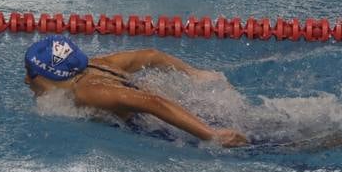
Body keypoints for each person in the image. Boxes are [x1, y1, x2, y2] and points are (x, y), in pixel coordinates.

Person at [24, 35, 250, 147]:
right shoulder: (97, 64)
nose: (26, 80)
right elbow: (150, 55)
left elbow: (151, 102)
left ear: (48, 75)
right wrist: (195, 74)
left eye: (30, 72)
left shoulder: (87, 92)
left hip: (177, 127)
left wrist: (210, 134)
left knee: (267, 145)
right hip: (194, 112)